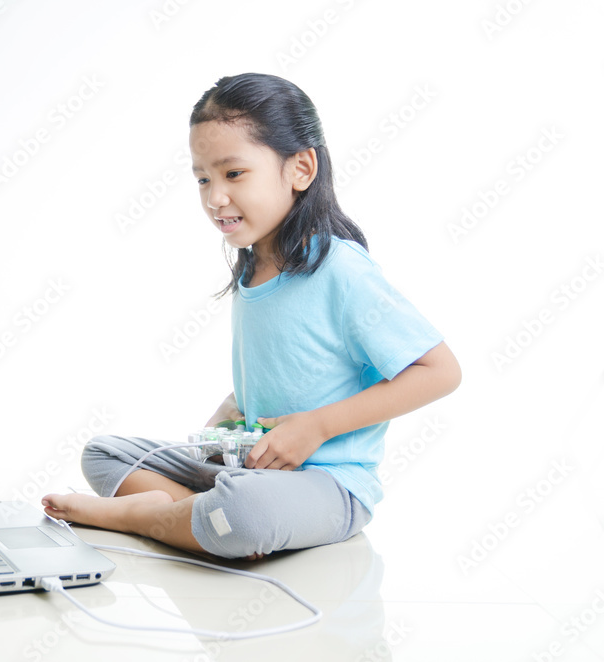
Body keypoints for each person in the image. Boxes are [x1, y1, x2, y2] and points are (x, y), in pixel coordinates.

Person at [42, 73, 462, 560]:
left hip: (329, 486)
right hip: (252, 470)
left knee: (245, 511)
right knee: (104, 453)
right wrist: (229, 416)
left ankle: (154, 517)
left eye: (233, 174)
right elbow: (282, 369)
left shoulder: (342, 271)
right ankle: (205, 519)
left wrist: (317, 428)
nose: (214, 197)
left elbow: (441, 371)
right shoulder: (254, 266)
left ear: (300, 168)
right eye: (203, 178)